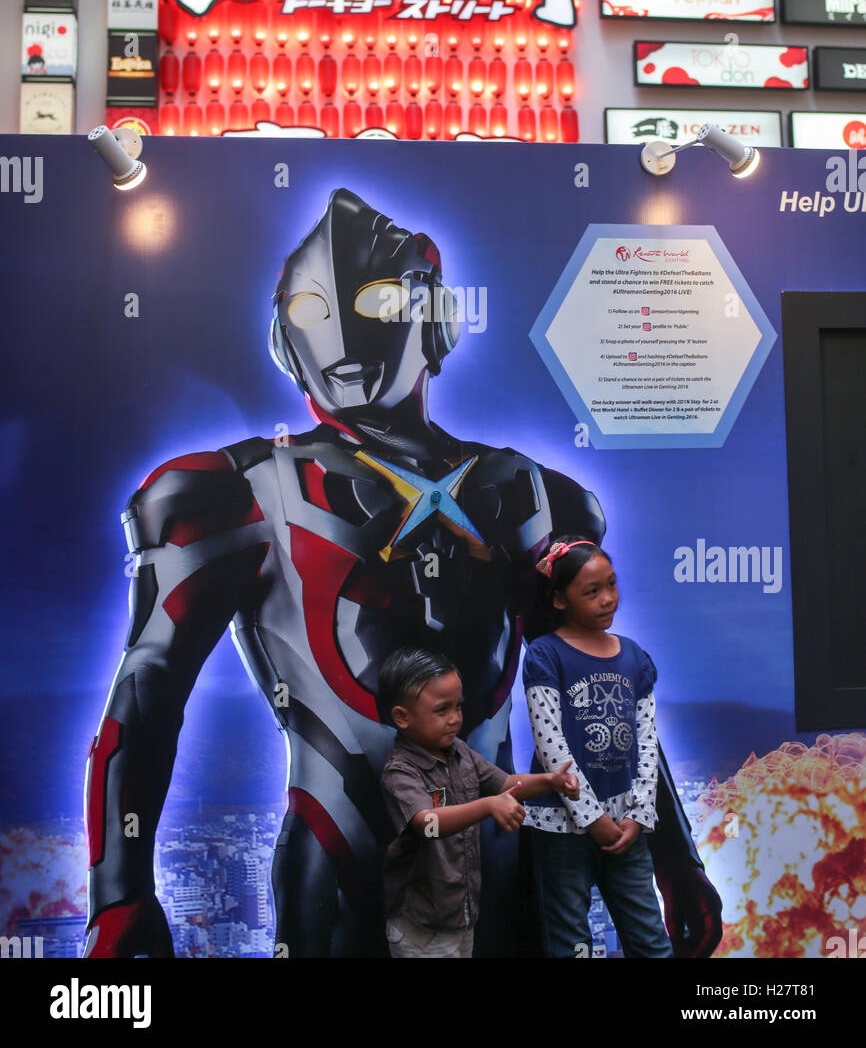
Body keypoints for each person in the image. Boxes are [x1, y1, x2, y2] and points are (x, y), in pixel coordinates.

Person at [83, 189, 720, 959]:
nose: (346, 330)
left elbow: (600, 702)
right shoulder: (235, 493)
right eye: (313, 307)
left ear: (437, 319)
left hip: (497, 871)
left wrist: (673, 854)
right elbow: (147, 695)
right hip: (346, 876)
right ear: (285, 333)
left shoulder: (530, 498)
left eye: (379, 299)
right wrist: (118, 899)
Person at [522, 537, 674, 959]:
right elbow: (551, 744)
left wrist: (639, 814)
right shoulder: (544, 655)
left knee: (651, 942)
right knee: (572, 944)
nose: (608, 599)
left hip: (627, 823)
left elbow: (647, 740)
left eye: (611, 584)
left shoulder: (634, 657)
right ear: (558, 599)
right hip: (563, 827)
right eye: (592, 591)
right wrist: (593, 819)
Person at [379, 646, 578, 958]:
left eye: (458, 707)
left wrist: (549, 781)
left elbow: (507, 784)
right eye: (441, 710)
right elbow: (427, 825)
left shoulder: (460, 752)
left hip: (462, 916)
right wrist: (488, 806)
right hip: (422, 928)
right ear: (402, 717)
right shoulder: (400, 773)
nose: (455, 719)